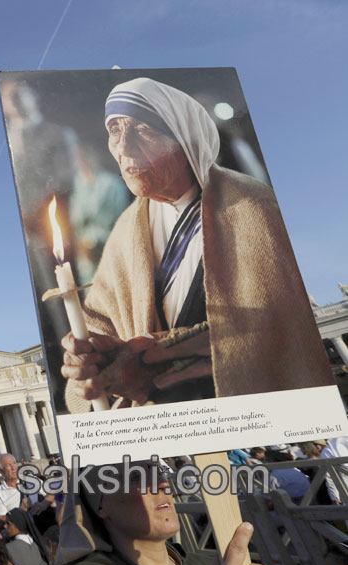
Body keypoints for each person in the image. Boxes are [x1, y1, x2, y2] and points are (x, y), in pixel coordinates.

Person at [61, 76, 332, 412]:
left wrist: (154, 361)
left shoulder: (255, 207)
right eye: (115, 130)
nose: (124, 148)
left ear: (185, 140)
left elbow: (283, 325)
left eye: (143, 130)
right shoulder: (124, 231)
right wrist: (88, 363)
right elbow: (96, 326)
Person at [57, 462, 262, 565]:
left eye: (158, 471)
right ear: (101, 505)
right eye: (136, 476)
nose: (162, 484)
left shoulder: (205, 564)